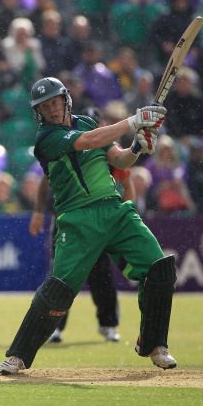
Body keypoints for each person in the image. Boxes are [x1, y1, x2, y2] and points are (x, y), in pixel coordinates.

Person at [0, 77, 175, 375]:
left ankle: (155, 344)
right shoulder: (46, 138)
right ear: (38, 112)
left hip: (115, 210)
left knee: (159, 268)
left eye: (55, 102)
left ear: (65, 100)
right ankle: (18, 355)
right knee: (58, 291)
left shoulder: (88, 122)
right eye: (44, 107)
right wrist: (134, 121)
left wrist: (137, 147)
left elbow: (119, 159)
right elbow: (89, 142)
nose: (52, 110)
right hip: (77, 219)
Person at [30, 106, 132, 344]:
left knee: (101, 274)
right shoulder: (63, 145)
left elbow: (128, 183)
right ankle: (53, 326)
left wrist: (125, 218)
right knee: (61, 274)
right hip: (68, 216)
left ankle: (108, 324)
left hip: (100, 218)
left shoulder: (107, 150)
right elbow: (45, 183)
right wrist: (37, 211)